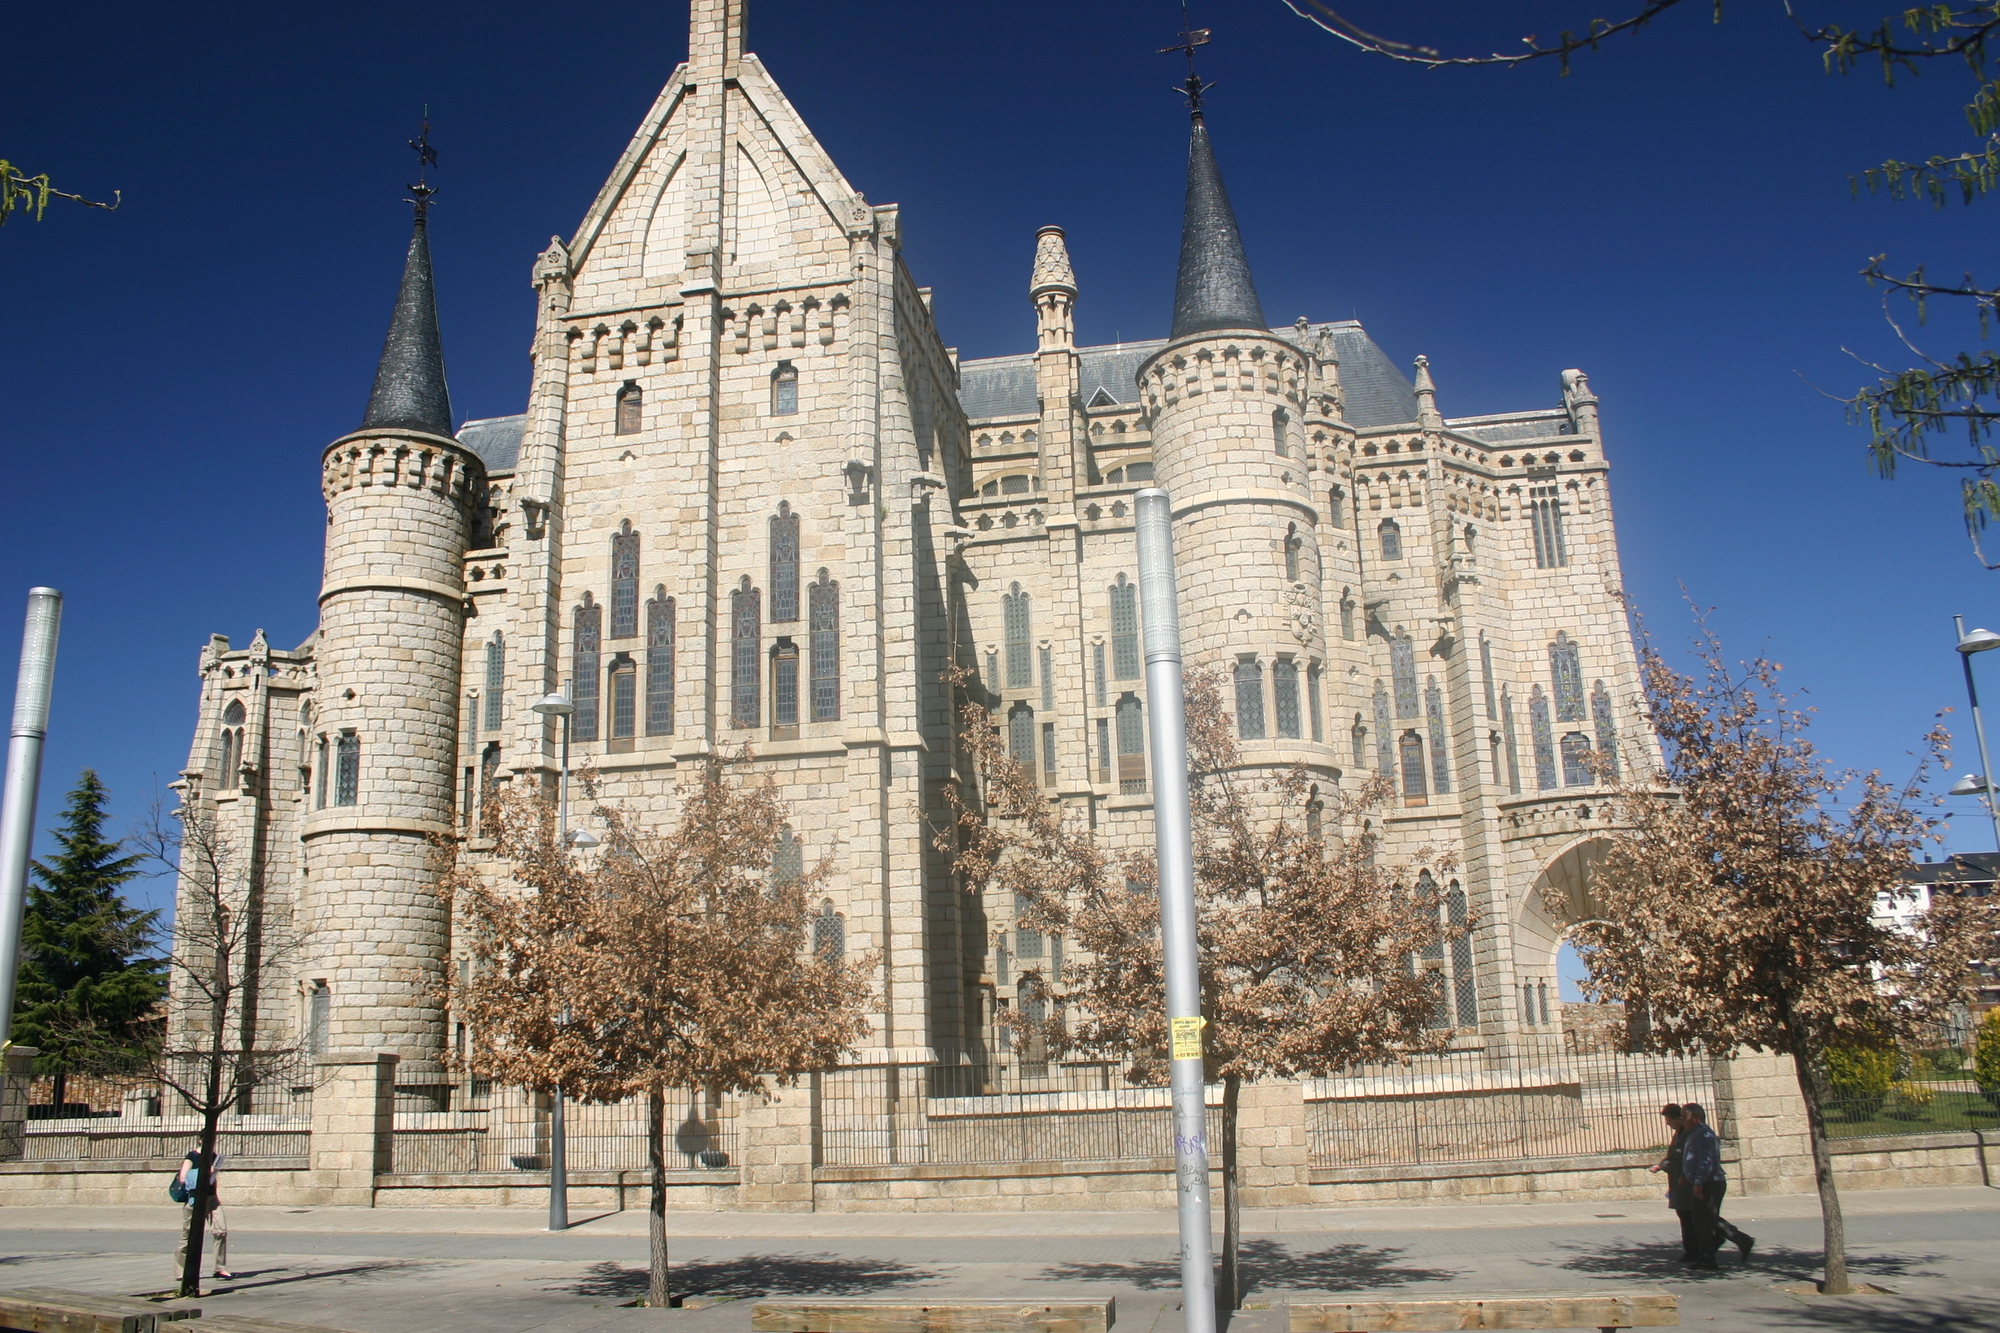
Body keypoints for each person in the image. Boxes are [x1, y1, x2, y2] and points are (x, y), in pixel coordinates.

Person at [1679, 1103, 1754, 1267]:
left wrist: (1698, 1183)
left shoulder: (1704, 1135)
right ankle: (1738, 1241)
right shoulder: (1695, 1133)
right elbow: (1693, 1157)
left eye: (1684, 1117)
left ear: (1696, 1119)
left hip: (1710, 1183)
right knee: (1704, 1219)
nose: (1682, 1120)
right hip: (1704, 1181)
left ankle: (1708, 1258)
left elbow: (1706, 1161)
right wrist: (1685, 1175)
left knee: (1703, 1222)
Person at [1647, 1103, 1699, 1260]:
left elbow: (1679, 1157)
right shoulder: (1681, 1133)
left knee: (1690, 1217)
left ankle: (1694, 1251)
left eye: (1669, 1119)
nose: (1667, 1123)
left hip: (1685, 1182)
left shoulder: (1687, 1134)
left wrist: (1662, 1166)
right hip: (1680, 1182)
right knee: (1691, 1216)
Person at [173, 1150, 233, 1280]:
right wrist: (205, 1172)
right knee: (187, 1236)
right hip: (194, 1200)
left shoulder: (214, 1156)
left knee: (221, 1231)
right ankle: (181, 1271)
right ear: (201, 1141)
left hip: (211, 1199)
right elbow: (183, 1177)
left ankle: (219, 1268)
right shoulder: (192, 1156)